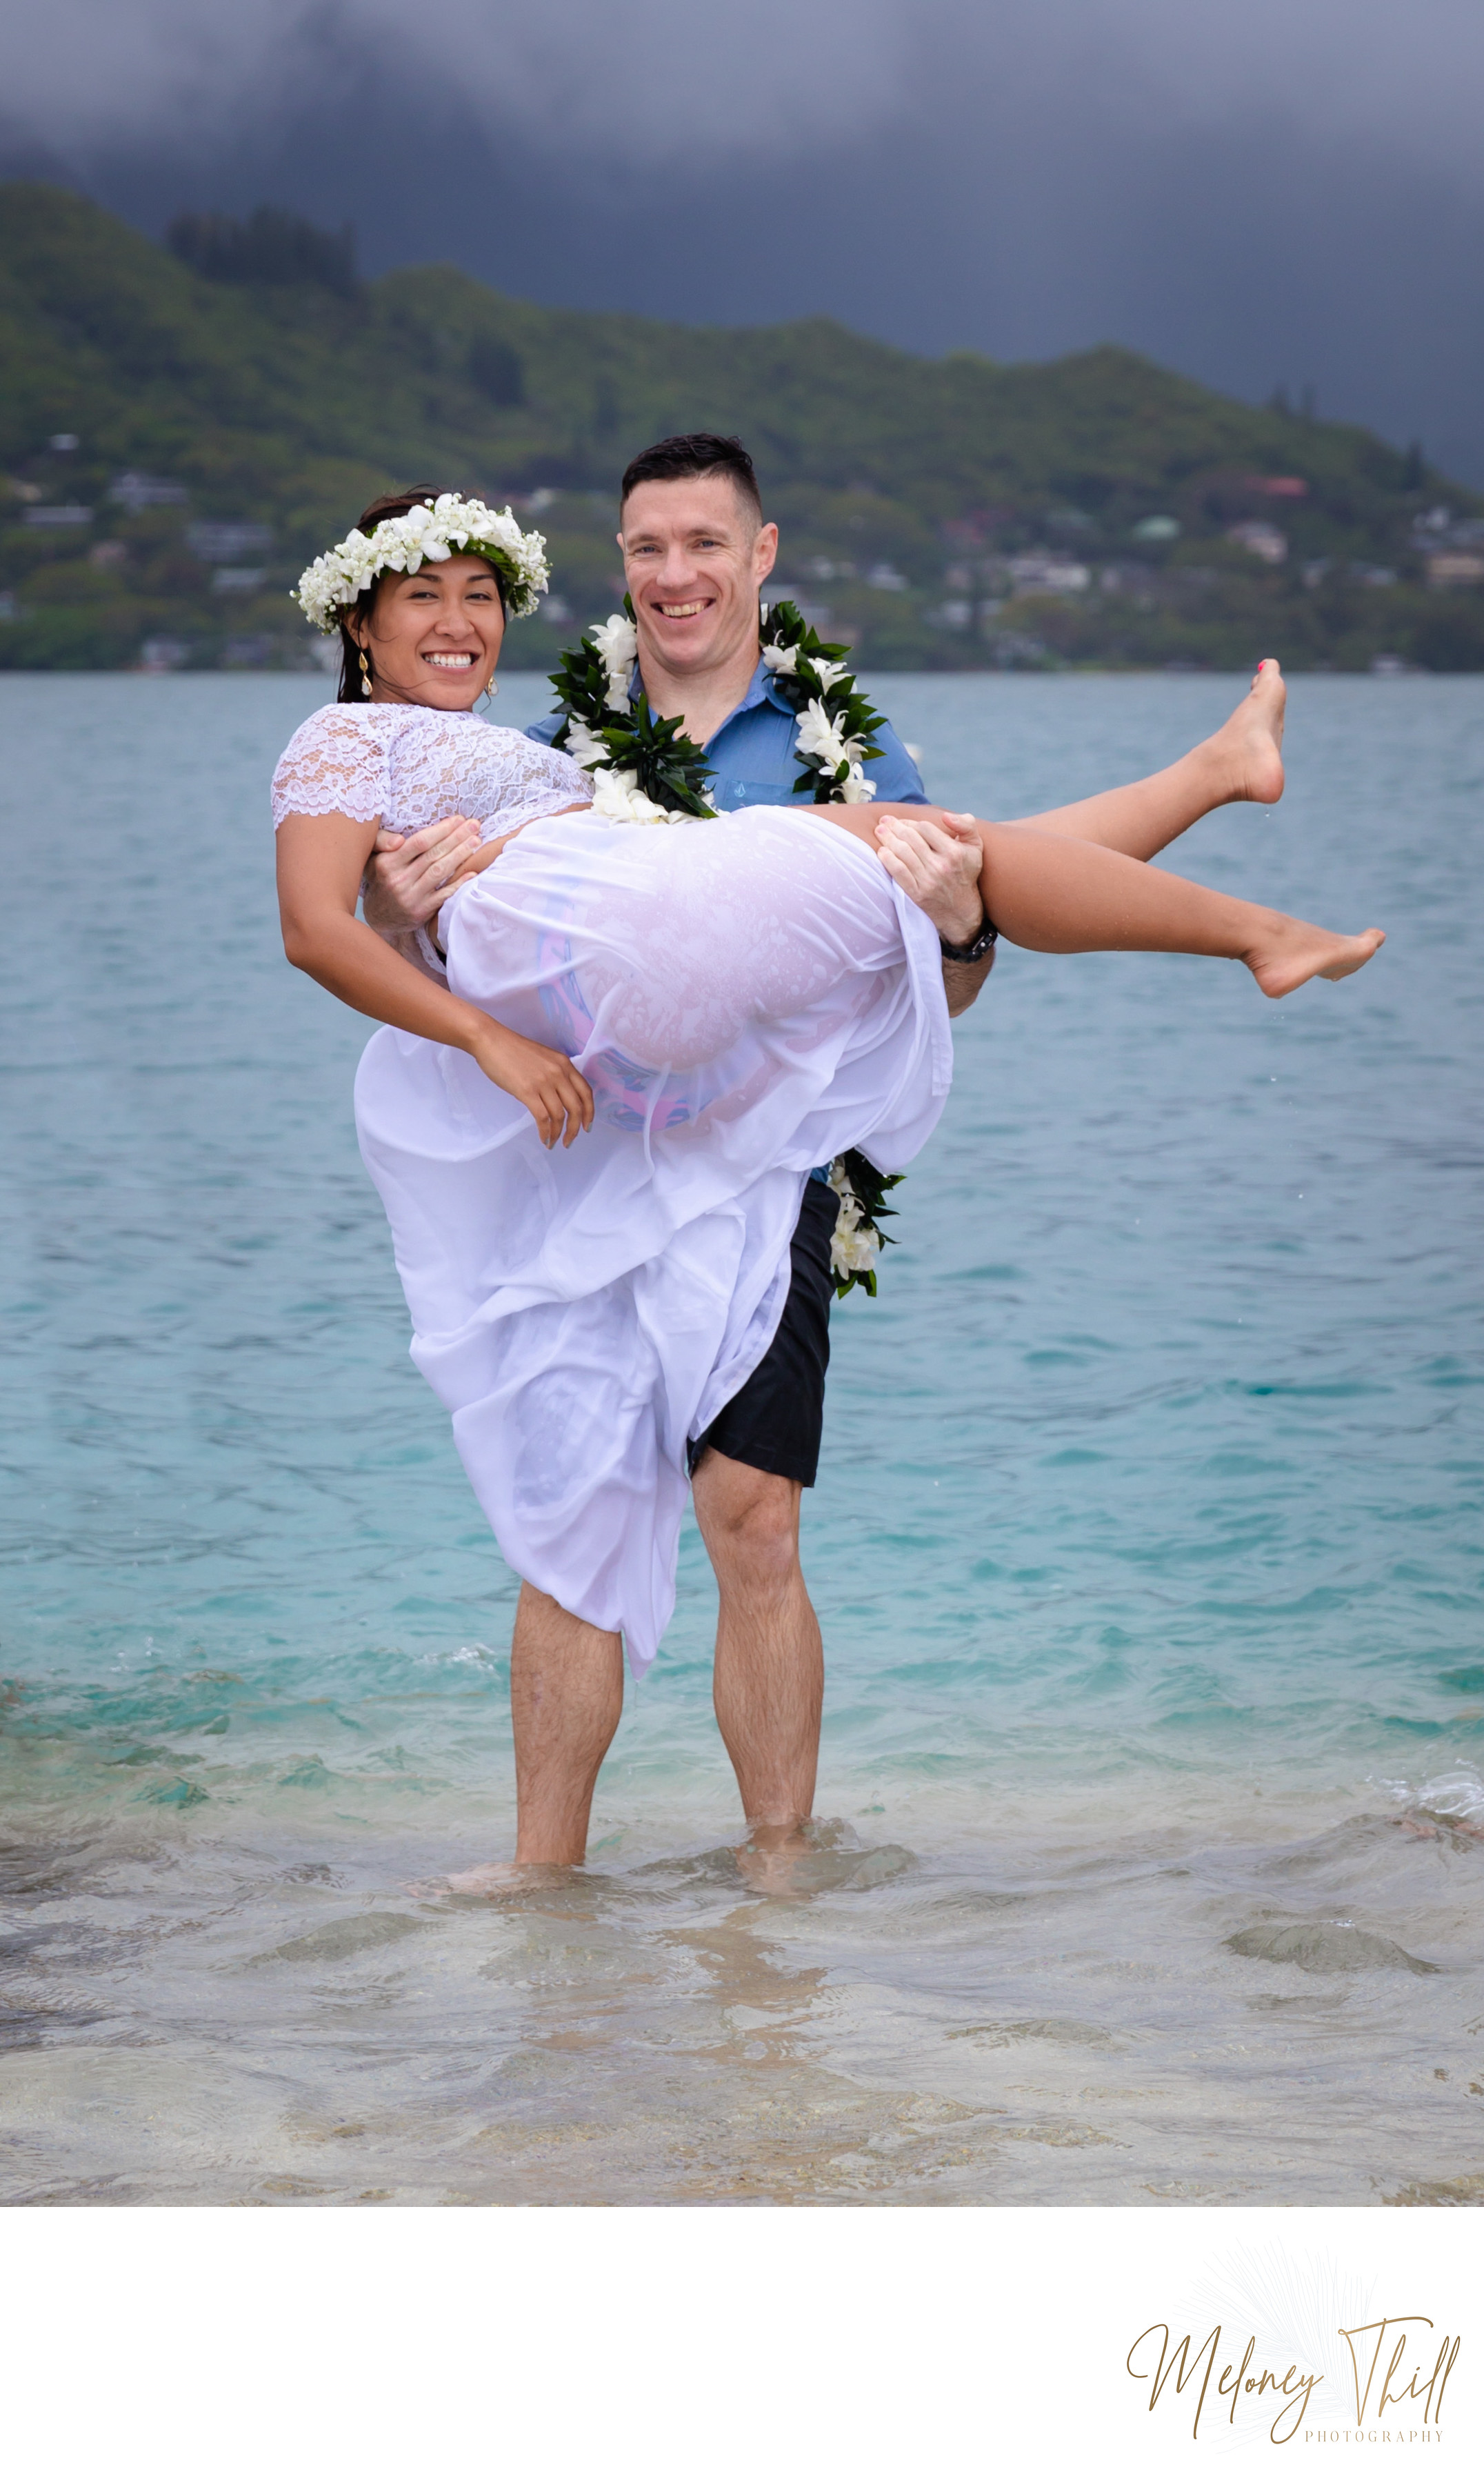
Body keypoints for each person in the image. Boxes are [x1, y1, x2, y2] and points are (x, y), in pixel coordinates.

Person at [277, 485, 1383, 1870]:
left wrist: (961, 922)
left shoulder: (828, 745)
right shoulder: (544, 733)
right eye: (645, 551)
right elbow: (381, 917)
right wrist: (424, 923)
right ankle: (539, 1885)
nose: (673, 576)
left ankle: (778, 1880)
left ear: (758, 560)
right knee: (566, 1526)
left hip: (756, 1139)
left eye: (477, 596)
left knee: (753, 1518)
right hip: (597, 1143)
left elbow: (940, 982)